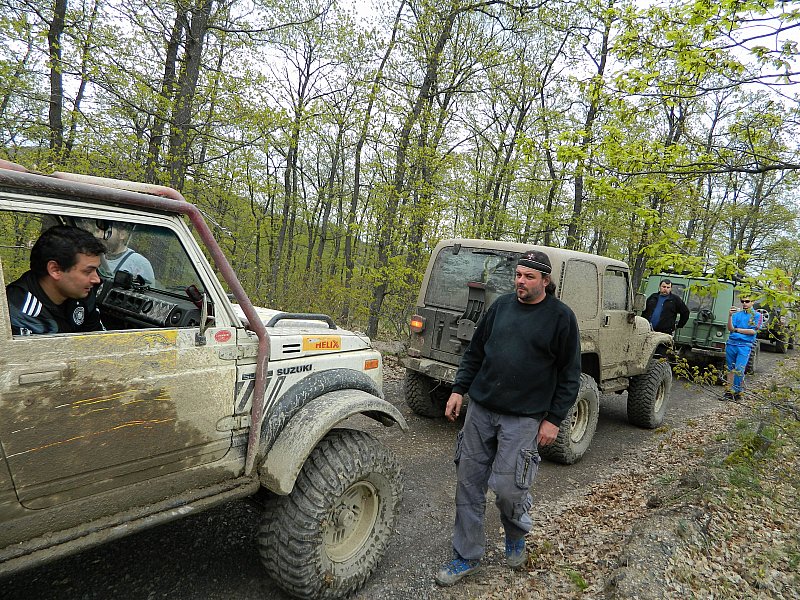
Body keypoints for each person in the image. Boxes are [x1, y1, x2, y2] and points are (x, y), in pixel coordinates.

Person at [435, 250, 582, 587]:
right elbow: (475, 353)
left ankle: (515, 533)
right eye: (518, 275)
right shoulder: (500, 307)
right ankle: (467, 556)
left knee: (509, 489)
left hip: (524, 418)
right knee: (468, 483)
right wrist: (458, 390)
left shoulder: (561, 318)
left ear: (545, 280)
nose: (520, 281)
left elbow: (570, 375)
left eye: (529, 276)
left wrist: (554, 419)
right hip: (481, 410)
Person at [5, 225, 106, 335]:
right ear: (55, 270)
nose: (97, 279)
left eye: (96, 270)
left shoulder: (82, 294)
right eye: (88, 271)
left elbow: (99, 338)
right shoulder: (17, 313)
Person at [724, 296, 762, 401]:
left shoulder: (757, 315)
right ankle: (728, 392)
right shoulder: (737, 314)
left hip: (745, 345)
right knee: (730, 369)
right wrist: (730, 316)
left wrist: (737, 330)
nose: (744, 303)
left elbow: (753, 331)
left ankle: (737, 392)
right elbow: (730, 328)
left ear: (753, 302)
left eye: (747, 301)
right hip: (732, 343)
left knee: (739, 369)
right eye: (742, 301)